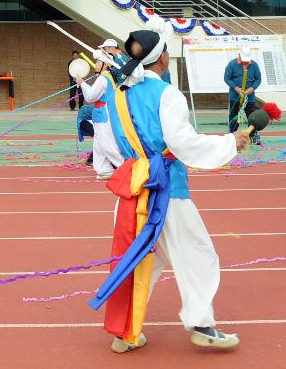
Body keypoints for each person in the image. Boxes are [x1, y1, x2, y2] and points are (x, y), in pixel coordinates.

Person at [88, 18, 247, 352]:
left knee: (143, 258)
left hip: (133, 184)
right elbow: (181, 143)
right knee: (197, 253)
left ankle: (126, 332)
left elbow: (113, 145)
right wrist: (230, 142)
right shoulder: (166, 93)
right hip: (166, 189)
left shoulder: (118, 94)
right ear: (162, 59)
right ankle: (202, 323)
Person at [76, 51, 123, 180]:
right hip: (100, 113)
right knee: (98, 144)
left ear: (106, 64)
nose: (96, 64)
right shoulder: (105, 77)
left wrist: (82, 83)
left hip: (103, 114)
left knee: (107, 144)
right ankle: (104, 170)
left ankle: (125, 167)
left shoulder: (103, 78)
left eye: (98, 62)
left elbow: (91, 97)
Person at [223, 46, 261, 133]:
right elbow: (226, 78)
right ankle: (232, 136)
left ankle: (253, 137)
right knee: (234, 117)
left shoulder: (254, 65)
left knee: (252, 117)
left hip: (249, 97)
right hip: (235, 97)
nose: (245, 61)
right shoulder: (232, 64)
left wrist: (252, 88)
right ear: (239, 55)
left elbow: (258, 79)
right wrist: (236, 89)